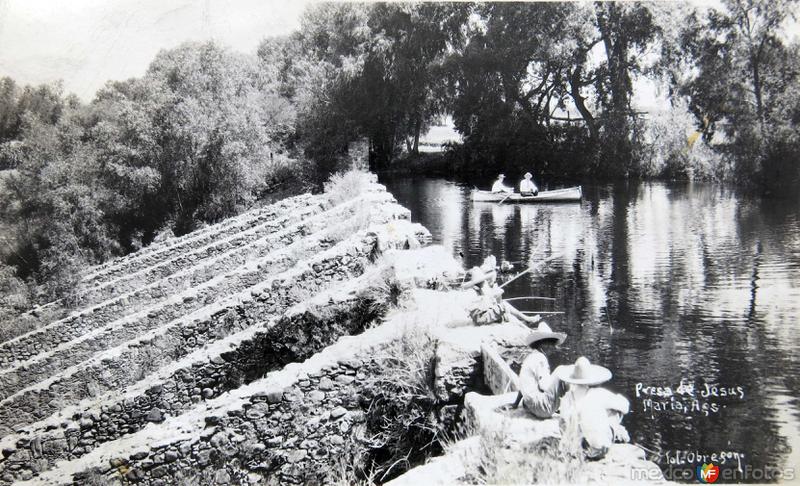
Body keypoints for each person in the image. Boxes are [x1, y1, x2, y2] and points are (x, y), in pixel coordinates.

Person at [554, 356, 631, 460]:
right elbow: (625, 407)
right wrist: (617, 399)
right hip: (596, 451)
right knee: (614, 412)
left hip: (574, 448)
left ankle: (616, 433)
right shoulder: (598, 394)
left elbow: (562, 424)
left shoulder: (566, 398)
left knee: (585, 414)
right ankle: (619, 433)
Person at [462, 256, 540, 325]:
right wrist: (493, 297)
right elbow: (481, 306)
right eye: (483, 280)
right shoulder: (473, 292)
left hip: (482, 315)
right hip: (480, 319)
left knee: (503, 305)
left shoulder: (478, 288)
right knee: (504, 308)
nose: (484, 281)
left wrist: (493, 296)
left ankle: (526, 319)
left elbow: (487, 302)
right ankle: (526, 324)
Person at [512, 322, 568, 419]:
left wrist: (516, 404)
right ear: (543, 344)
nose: (554, 347)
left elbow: (523, 384)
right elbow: (544, 386)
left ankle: (562, 405)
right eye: (551, 344)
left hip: (529, 406)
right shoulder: (540, 358)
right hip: (541, 409)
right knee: (561, 370)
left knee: (556, 378)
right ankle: (570, 406)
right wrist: (558, 392)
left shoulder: (531, 356)